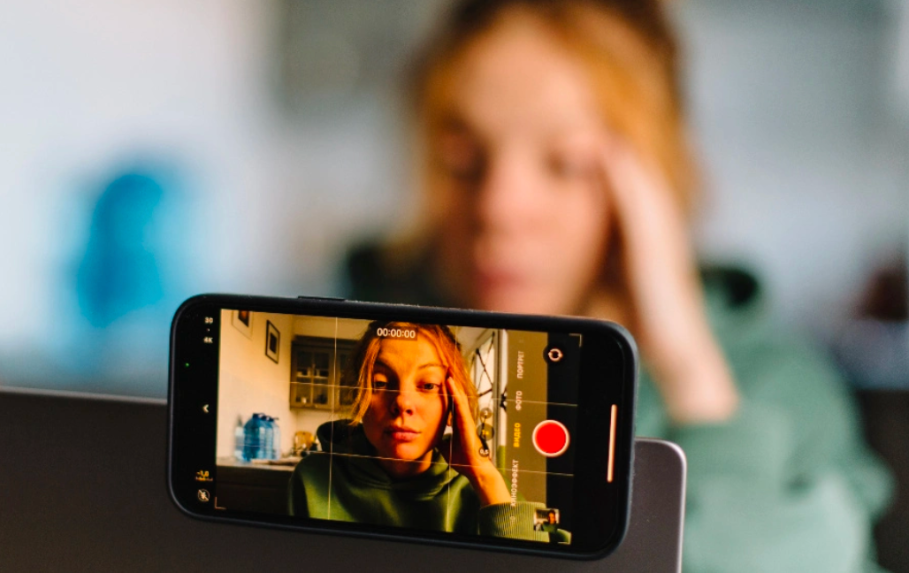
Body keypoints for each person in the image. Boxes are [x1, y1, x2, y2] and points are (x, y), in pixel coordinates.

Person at [344, 0, 893, 570]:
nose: (498, 207)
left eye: (567, 163)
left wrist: (689, 372)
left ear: (651, 183)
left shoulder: (781, 387)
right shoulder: (367, 332)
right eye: (461, 161)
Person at [289, 320, 562, 542]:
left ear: (454, 403)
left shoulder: (496, 489)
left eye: (429, 385)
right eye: (380, 383)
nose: (402, 402)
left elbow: (555, 547)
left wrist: (484, 476)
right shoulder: (312, 477)